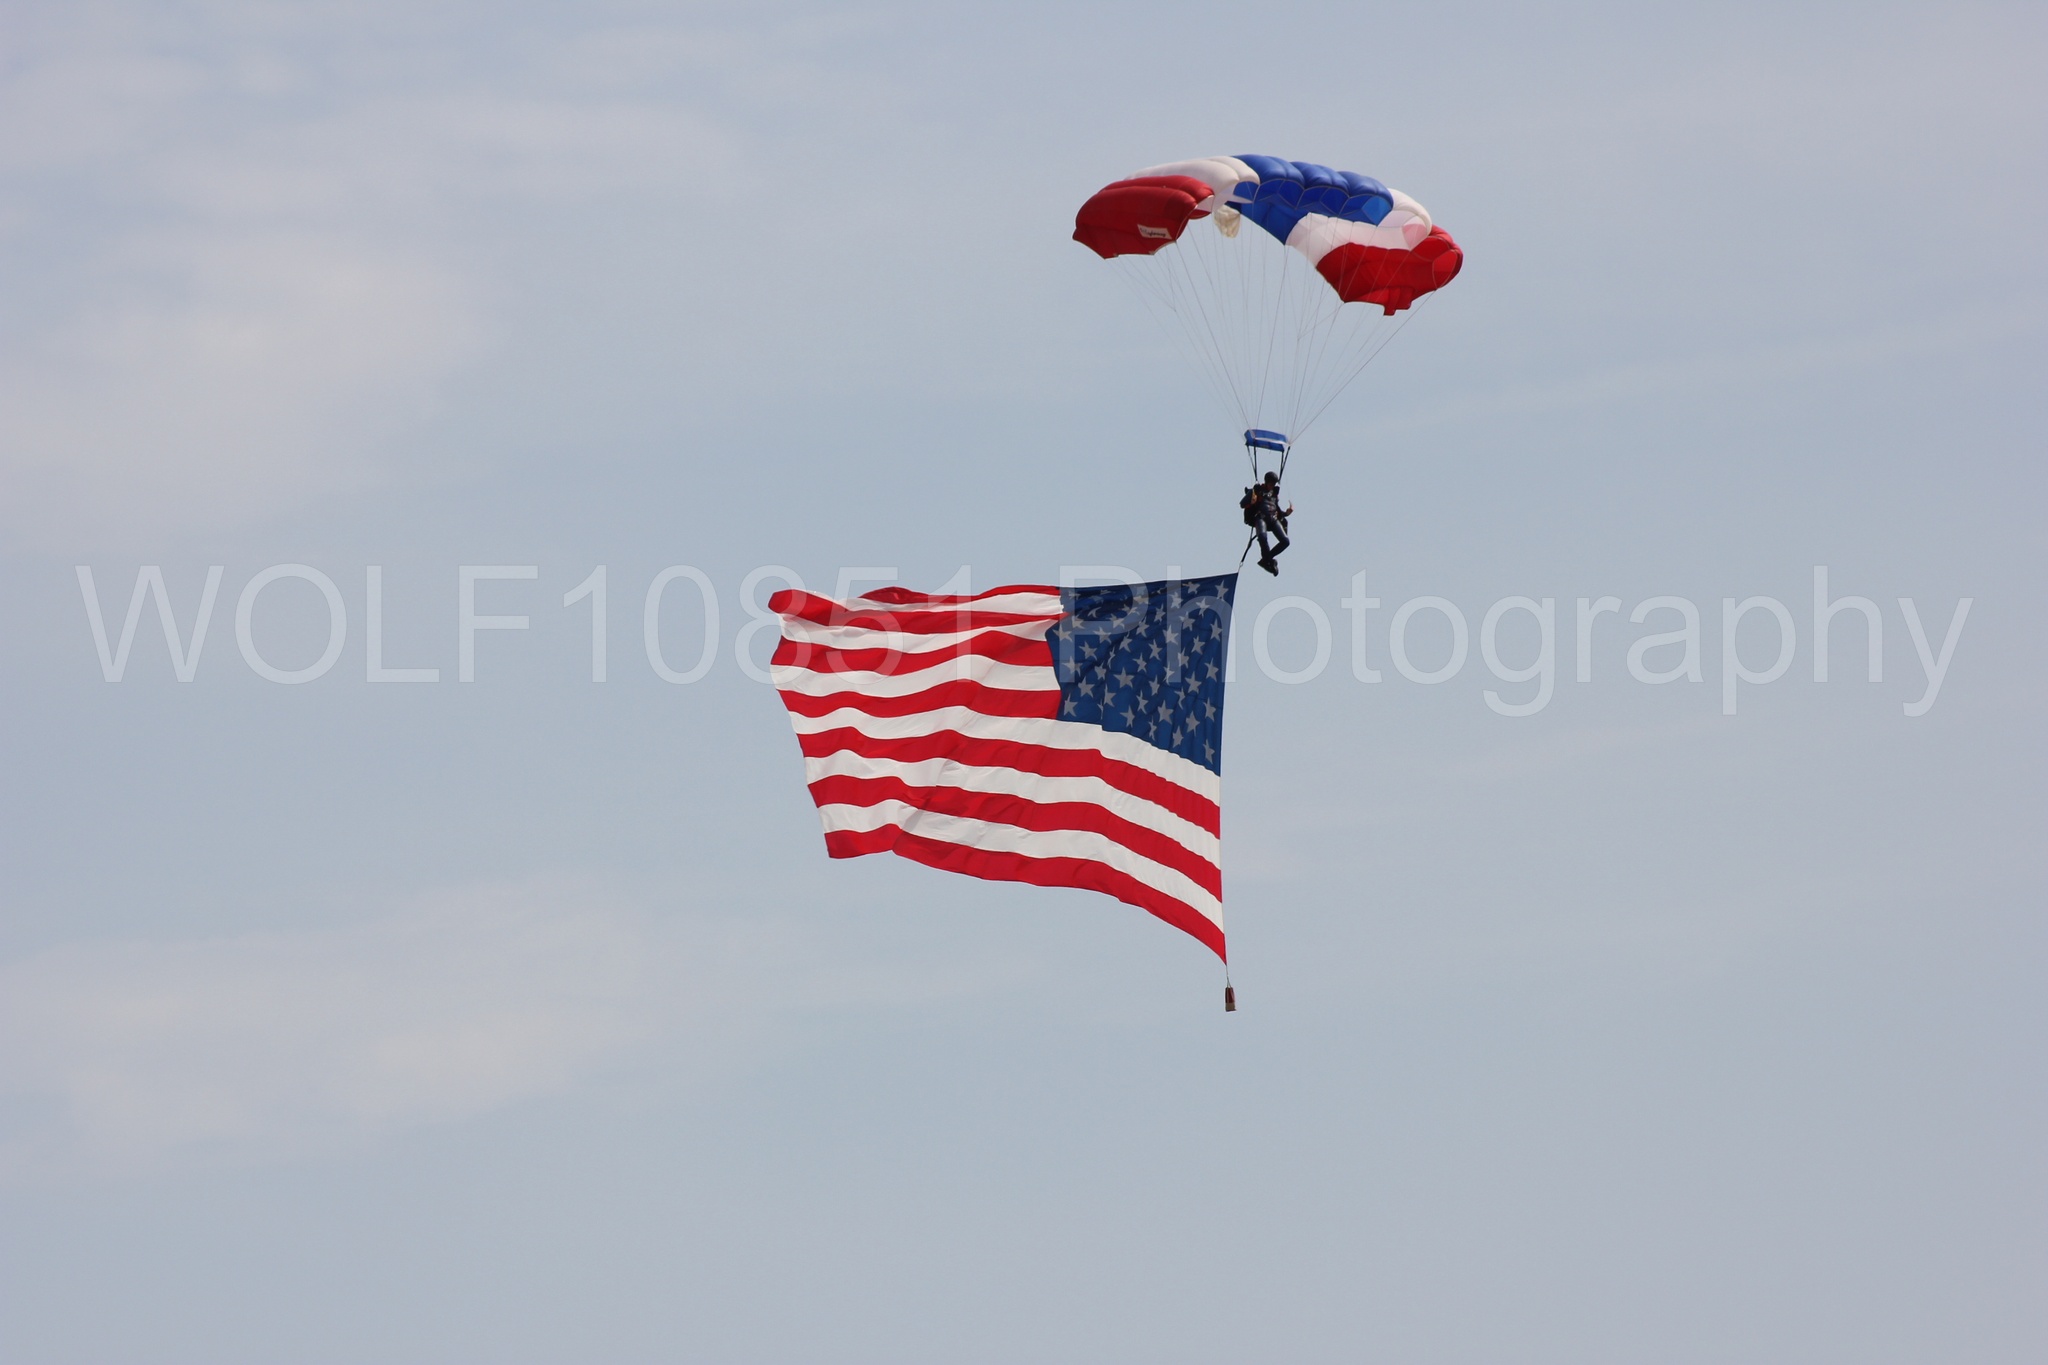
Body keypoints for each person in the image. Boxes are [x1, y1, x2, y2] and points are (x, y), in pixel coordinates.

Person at [1240, 470, 1292, 574]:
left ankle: (1265, 560)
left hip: (1273, 519)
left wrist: (1286, 513)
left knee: (1285, 542)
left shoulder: (1274, 494)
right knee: (1263, 538)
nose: (1272, 486)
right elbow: (1242, 504)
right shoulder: (1257, 490)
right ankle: (1268, 561)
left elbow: (1277, 509)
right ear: (1266, 481)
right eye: (1270, 483)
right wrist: (1251, 501)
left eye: (1273, 484)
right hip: (1261, 518)